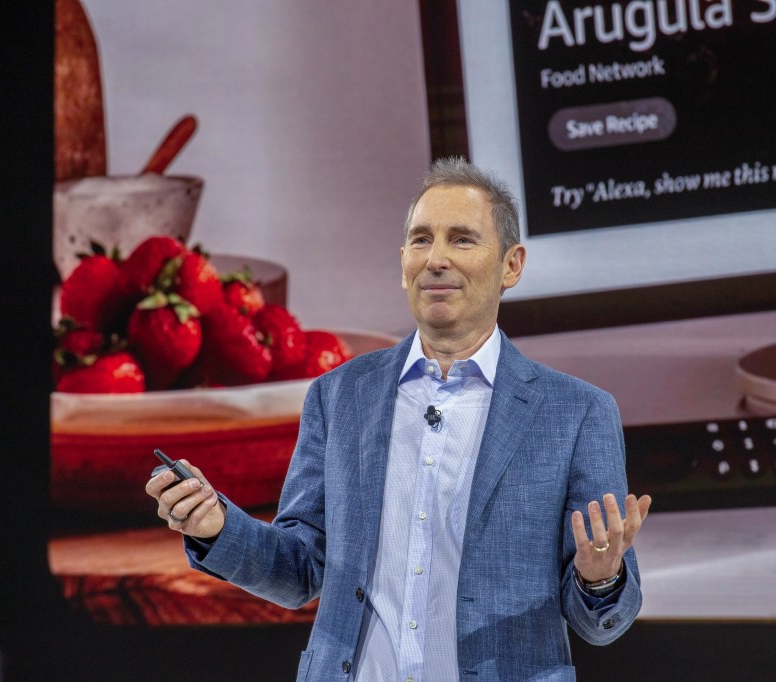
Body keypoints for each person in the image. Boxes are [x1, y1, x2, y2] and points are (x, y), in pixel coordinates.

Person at [147, 157, 651, 681]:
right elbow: (300, 569)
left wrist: (599, 578)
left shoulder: (577, 413)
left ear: (512, 265)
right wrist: (218, 528)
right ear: (402, 260)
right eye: (420, 239)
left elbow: (602, 624)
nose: (435, 259)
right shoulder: (338, 396)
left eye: (461, 239)